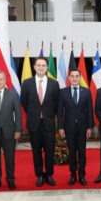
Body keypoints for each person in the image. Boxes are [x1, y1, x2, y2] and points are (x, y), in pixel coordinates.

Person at [21, 57, 60, 187]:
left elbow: (57, 104)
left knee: (49, 151)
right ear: (34, 67)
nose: (41, 67)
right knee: (36, 151)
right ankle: (39, 175)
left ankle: (49, 175)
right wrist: (35, 113)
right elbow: (24, 102)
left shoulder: (54, 84)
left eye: (43, 65)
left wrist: (48, 115)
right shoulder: (26, 83)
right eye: (38, 65)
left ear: (47, 67)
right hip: (34, 123)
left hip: (48, 123)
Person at [58, 69, 94, 186]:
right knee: (72, 153)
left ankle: (82, 175)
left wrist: (90, 127)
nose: (74, 78)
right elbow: (59, 112)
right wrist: (60, 127)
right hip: (69, 128)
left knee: (82, 153)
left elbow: (90, 111)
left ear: (80, 78)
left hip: (83, 128)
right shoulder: (63, 92)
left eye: (77, 76)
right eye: (72, 76)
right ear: (69, 78)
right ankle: (73, 175)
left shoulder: (86, 92)